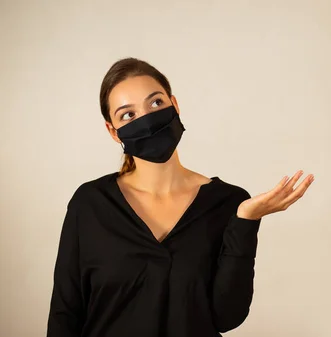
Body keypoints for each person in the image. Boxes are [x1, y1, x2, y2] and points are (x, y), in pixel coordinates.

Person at [47, 57, 314, 337]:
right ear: (113, 131)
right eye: (128, 115)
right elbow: (65, 313)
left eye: (155, 104)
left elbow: (227, 317)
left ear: (174, 105)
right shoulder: (90, 203)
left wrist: (246, 220)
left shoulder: (228, 202)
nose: (147, 120)